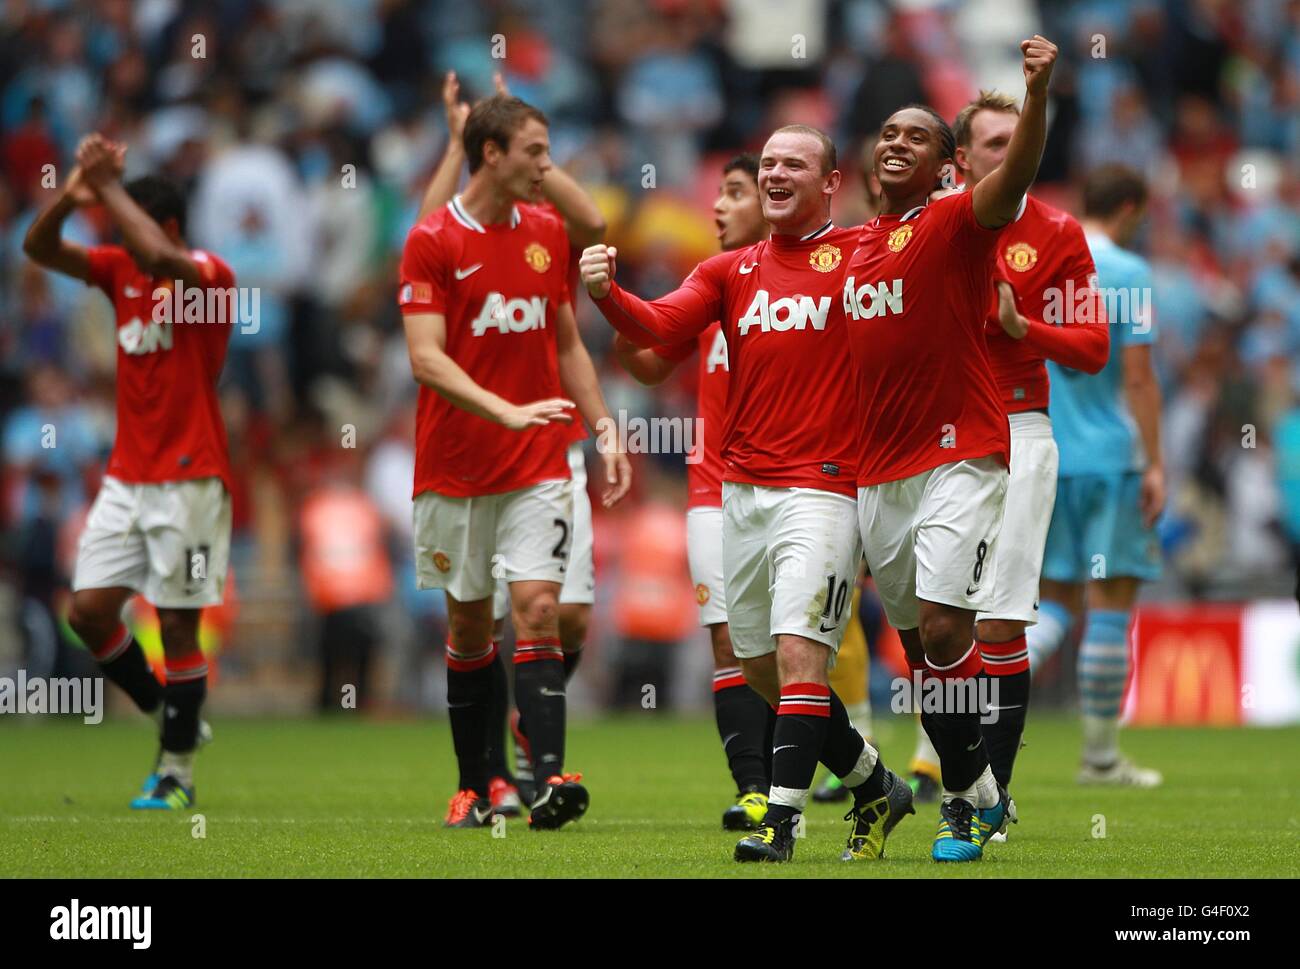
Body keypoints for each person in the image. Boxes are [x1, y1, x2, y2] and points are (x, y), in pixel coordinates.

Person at [582, 124, 914, 864]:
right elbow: (660, 325)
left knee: (800, 657)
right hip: (742, 495)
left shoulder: (861, 253)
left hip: (824, 491)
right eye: (767, 163)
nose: (774, 173)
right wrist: (607, 295)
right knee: (758, 665)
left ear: (830, 182)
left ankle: (781, 823)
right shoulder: (730, 272)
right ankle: (876, 785)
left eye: (794, 163)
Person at [842, 35, 1058, 861]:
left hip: (961, 457)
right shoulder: (853, 249)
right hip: (877, 474)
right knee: (921, 656)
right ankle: (979, 791)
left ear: (946, 167)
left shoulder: (958, 219)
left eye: (917, 136)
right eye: (888, 133)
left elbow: (1017, 175)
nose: (897, 141)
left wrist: (1035, 98)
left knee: (942, 630)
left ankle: (959, 810)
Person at [397, 92, 631, 830]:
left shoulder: (546, 231)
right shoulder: (433, 239)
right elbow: (424, 358)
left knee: (538, 611)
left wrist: (604, 426)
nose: (546, 165)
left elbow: (565, 340)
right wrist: (501, 408)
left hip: (537, 460)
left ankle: (550, 779)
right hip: (456, 464)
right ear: (490, 153)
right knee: (470, 628)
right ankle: (475, 783)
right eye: (534, 151)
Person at [903, 91, 1110, 829]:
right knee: (931, 621)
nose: (1006, 153)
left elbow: (1093, 347)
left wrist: (1030, 327)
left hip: (1019, 427)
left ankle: (989, 793)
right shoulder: (931, 226)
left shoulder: (1055, 231)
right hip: (933, 434)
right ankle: (956, 771)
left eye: (1015, 140)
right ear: (960, 159)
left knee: (996, 626)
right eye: (991, 144)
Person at [22, 133, 234, 810]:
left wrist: (108, 185)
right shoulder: (119, 270)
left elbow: (161, 256)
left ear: (167, 222)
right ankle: (173, 714)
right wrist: (75, 193)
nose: (121, 238)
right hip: (127, 475)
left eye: (126, 220)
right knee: (86, 612)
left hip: (192, 476)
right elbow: (38, 249)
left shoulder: (209, 274)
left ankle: (177, 771)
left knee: (177, 623)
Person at [614, 153, 777, 831]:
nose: (717, 206)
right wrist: (618, 316)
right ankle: (756, 790)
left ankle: (847, 768)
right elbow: (651, 363)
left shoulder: (803, 281)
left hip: (793, 489)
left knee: (792, 645)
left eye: (735, 194)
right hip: (713, 492)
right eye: (720, 192)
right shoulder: (706, 285)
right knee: (728, 641)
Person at [1025, 163, 1165, 787]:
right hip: (1111, 458)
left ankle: (959, 708)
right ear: (1132, 209)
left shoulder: (1049, 259)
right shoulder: (1130, 273)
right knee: (1111, 603)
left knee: (1051, 606)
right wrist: (1156, 461)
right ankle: (1102, 759)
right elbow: (1136, 376)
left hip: (1048, 453)